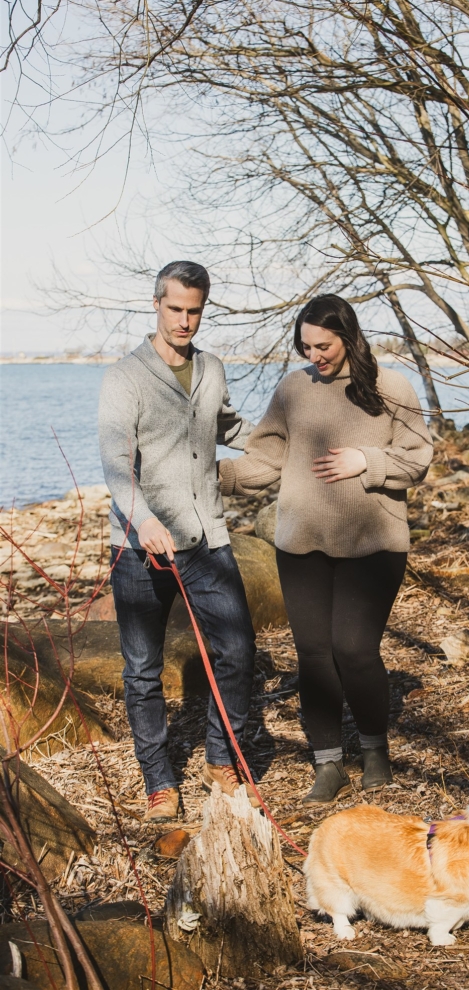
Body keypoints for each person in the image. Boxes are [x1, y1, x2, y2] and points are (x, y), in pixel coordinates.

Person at [218, 294, 433, 803]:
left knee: (354, 650)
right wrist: (210, 476)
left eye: (324, 345)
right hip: (301, 546)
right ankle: (329, 764)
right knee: (314, 655)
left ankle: (375, 751)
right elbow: (265, 462)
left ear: (349, 336)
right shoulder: (294, 389)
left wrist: (367, 460)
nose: (315, 355)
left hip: (374, 543)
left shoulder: (390, 386)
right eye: (306, 346)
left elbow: (418, 458)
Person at [99, 260, 257, 824]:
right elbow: (116, 464)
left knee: (237, 652)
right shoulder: (125, 377)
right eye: (176, 309)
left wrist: (285, 443)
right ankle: (159, 783)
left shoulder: (211, 368)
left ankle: (221, 759)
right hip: (139, 549)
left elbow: (228, 426)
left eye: (195, 310)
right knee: (142, 670)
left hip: (206, 538)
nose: (185, 320)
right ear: (156, 304)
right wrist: (141, 519)